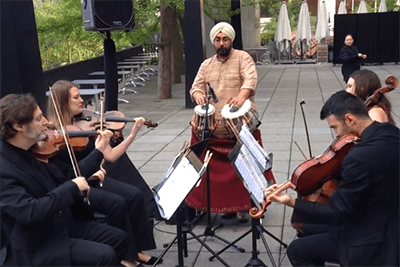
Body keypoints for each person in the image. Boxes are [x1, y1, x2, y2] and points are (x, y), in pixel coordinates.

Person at [265, 90, 400, 267]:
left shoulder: (358, 158)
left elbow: (337, 213)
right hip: (389, 220)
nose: (336, 135)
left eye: (335, 127)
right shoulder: (391, 132)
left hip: (369, 241)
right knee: (307, 227)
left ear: (350, 119)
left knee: (297, 250)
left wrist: (290, 201)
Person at [0, 94, 129, 266]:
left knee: (119, 239)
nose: (46, 121)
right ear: (18, 126)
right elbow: (31, 212)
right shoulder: (4, 167)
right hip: (34, 244)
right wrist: (72, 187)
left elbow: (66, 175)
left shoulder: (29, 150)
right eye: (38, 119)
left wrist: (98, 152)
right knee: (105, 256)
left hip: (57, 226)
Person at [46, 80, 161, 266]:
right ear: (62, 102)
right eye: (76, 97)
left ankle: (136, 249)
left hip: (92, 177)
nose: (82, 100)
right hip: (78, 183)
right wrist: (90, 171)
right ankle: (125, 254)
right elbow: (65, 173)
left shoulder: (83, 125)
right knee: (117, 203)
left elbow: (110, 155)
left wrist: (132, 134)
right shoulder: (54, 134)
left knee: (135, 195)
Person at [186, 22, 275, 223]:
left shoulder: (242, 58)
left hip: (238, 125)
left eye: (225, 39)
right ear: (213, 42)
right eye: (217, 39)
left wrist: (242, 97)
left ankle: (247, 204)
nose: (221, 42)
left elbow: (250, 80)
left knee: (246, 168)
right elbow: (195, 87)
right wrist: (199, 95)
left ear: (231, 40)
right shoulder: (206, 65)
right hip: (213, 128)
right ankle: (218, 204)